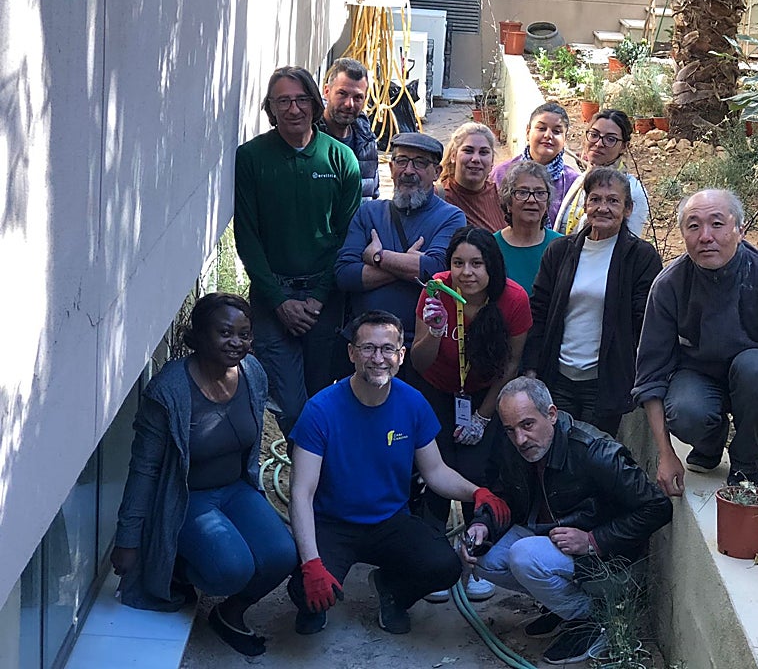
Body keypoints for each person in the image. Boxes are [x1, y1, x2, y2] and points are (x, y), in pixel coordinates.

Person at [286, 309, 511, 637]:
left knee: (444, 566)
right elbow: (301, 493)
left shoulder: (413, 403)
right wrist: (311, 563)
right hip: (333, 523)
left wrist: (478, 492)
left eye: (388, 349)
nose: (378, 358)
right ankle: (316, 595)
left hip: (390, 521)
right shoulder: (321, 410)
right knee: (306, 592)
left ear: (401, 355)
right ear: (352, 353)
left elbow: (435, 472)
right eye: (368, 348)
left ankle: (391, 590)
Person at [112, 294, 297, 657]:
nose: (237, 343)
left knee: (281, 555)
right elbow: (144, 470)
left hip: (234, 490)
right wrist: (128, 540)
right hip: (188, 498)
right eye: (225, 332)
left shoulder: (252, 373)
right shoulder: (169, 392)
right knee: (231, 568)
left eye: (244, 334)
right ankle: (176, 566)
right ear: (199, 335)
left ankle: (229, 614)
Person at [460, 377, 672, 665]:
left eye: (527, 425)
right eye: (511, 430)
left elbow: (657, 507)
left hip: (608, 557)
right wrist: (482, 524)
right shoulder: (515, 447)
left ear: (551, 414)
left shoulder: (595, 452)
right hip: (553, 539)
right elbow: (504, 494)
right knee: (485, 559)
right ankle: (563, 606)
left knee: (523, 556)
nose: (520, 439)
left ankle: (593, 619)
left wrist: (593, 540)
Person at [633, 189, 758, 494]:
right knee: (685, 411)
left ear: (739, 230)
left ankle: (746, 464)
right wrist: (666, 455)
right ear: (683, 234)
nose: (705, 236)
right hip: (696, 377)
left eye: (717, 224)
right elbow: (649, 376)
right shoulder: (668, 286)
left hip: (754, 381)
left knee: (754, 367)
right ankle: (710, 440)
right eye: (693, 226)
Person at [234, 65, 361, 436]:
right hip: (273, 299)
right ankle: (304, 468)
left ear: (314, 103)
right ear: (270, 109)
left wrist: (318, 299)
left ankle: (314, 483)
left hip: (324, 300)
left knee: (322, 396)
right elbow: (247, 235)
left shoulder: (341, 159)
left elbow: (346, 237)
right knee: (290, 404)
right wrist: (279, 301)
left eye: (301, 100)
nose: (293, 109)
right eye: (283, 101)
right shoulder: (251, 157)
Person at [410, 227, 531, 600]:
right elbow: (416, 361)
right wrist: (433, 331)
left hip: (483, 391)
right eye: (458, 263)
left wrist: (483, 415)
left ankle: (477, 554)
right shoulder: (435, 291)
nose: (467, 273)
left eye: (477, 263)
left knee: (478, 469)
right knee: (435, 467)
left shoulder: (513, 299)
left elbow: (510, 364)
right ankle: (433, 558)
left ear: (492, 266)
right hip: (436, 388)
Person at [526, 168, 661, 437]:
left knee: (595, 456)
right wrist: (531, 369)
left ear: (628, 209)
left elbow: (644, 324)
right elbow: (538, 311)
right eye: (595, 199)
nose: (603, 208)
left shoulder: (641, 258)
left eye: (613, 201)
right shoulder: (560, 251)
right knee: (556, 450)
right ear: (586, 204)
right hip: (558, 376)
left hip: (604, 382)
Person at [335, 132, 466, 347]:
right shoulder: (369, 213)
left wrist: (378, 256)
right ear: (391, 168)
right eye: (402, 161)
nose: (408, 171)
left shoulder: (451, 217)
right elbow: (345, 275)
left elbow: (436, 271)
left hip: (419, 345)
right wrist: (408, 264)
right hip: (365, 343)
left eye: (420, 163)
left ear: (437, 172)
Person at [554, 110, 650, 238]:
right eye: (594, 135)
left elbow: (630, 245)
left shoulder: (633, 191)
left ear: (624, 146)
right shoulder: (580, 180)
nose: (599, 144)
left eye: (610, 139)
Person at [491, 102, 580, 225]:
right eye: (541, 129)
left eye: (557, 131)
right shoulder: (501, 174)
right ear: (528, 132)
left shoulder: (573, 183)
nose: (548, 135)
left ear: (565, 138)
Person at [494, 161, 564, 296]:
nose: (532, 200)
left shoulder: (562, 246)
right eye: (522, 192)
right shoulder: (491, 246)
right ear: (508, 202)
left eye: (540, 193)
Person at [316, 57, 380, 199]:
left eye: (357, 97)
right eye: (342, 94)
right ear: (327, 91)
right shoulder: (309, 139)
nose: (349, 104)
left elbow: (372, 195)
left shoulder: (367, 141)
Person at [439, 122, 506, 231]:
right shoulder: (438, 197)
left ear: (492, 160)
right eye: (468, 151)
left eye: (483, 152)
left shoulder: (501, 197)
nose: (475, 159)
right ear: (453, 156)